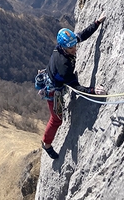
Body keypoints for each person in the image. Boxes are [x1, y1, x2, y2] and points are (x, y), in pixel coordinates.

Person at [41, 14, 106, 159]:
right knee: (56, 119)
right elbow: (76, 87)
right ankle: (46, 144)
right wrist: (93, 90)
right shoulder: (64, 66)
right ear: (64, 48)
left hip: (54, 78)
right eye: (71, 48)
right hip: (52, 90)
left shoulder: (65, 45)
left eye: (74, 45)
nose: (75, 49)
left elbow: (82, 35)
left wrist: (96, 23)